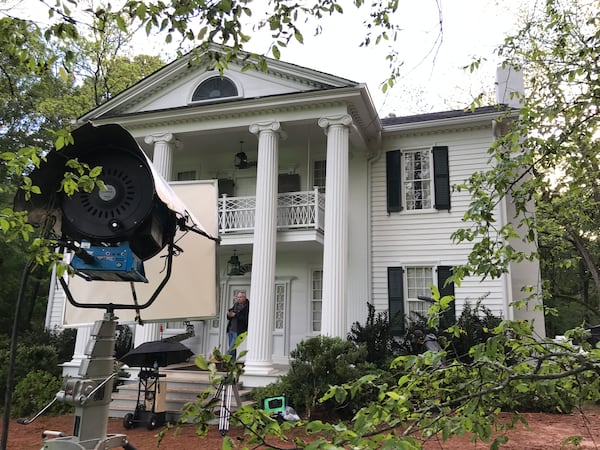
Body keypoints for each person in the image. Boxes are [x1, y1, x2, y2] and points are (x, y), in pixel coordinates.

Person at [226, 291, 249, 360]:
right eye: (238, 297)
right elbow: (230, 316)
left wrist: (236, 315)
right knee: (232, 347)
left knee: (232, 347)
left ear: (244, 297)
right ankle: (232, 363)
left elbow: (245, 318)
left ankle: (225, 359)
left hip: (238, 330)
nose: (238, 298)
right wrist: (229, 314)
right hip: (231, 329)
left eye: (240, 297)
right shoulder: (236, 304)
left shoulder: (247, 306)